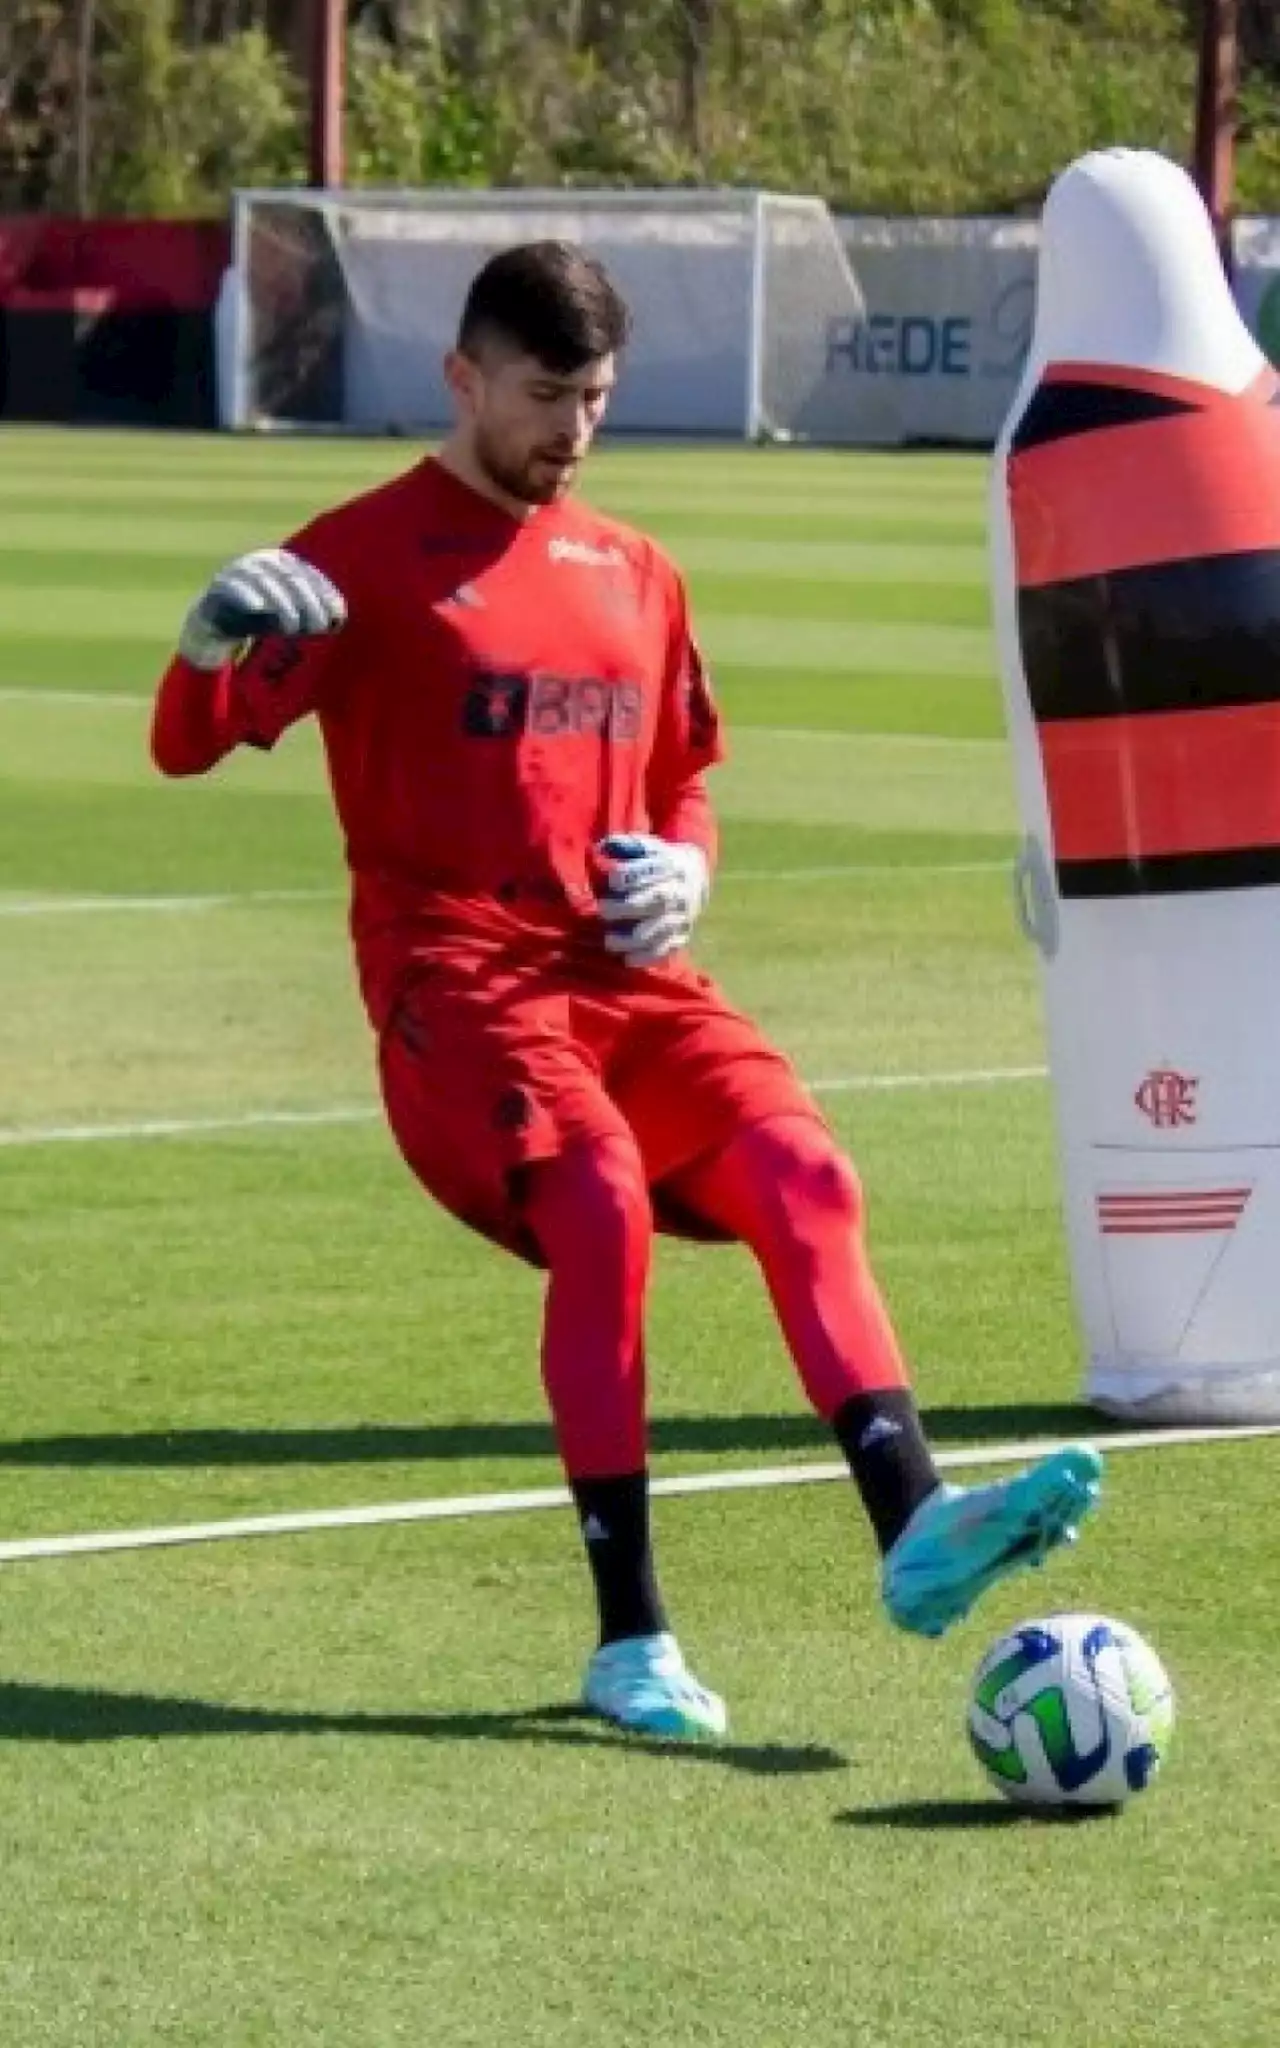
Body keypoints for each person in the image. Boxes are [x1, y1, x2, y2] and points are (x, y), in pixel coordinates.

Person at [150, 240, 1102, 1742]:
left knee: (808, 1173)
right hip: (456, 985)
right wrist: (205, 647)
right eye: (546, 396)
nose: (575, 429)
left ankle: (915, 1520)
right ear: (464, 381)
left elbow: (689, 778)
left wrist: (692, 869)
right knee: (596, 1196)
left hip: (627, 980)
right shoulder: (354, 555)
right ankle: (630, 1637)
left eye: (595, 397)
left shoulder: (638, 570)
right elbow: (188, 745)